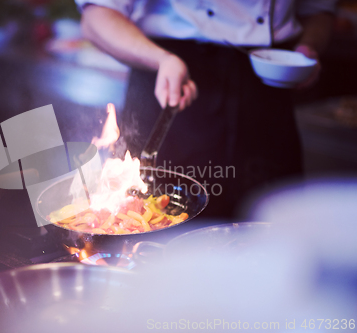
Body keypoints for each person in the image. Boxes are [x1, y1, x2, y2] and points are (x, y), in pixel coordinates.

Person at [75, 0, 336, 218]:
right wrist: (161, 60)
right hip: (170, 77)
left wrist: (308, 49)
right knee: (160, 230)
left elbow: (320, 10)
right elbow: (97, 15)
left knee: (274, 227)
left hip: (267, 89)